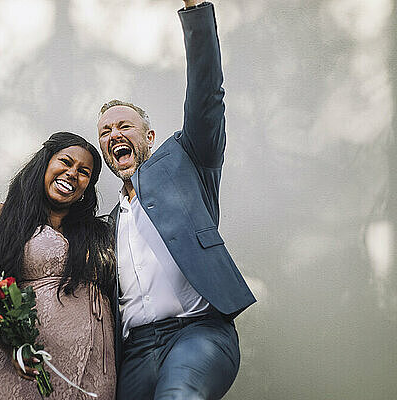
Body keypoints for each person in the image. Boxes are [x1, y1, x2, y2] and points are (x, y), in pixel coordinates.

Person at [96, 1, 256, 399]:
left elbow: (206, 94)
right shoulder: (106, 225)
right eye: (105, 131)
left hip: (198, 332)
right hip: (133, 352)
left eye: (124, 126)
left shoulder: (186, 162)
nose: (114, 134)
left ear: (148, 137)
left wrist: (196, 10)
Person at [0, 132, 116, 399]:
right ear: (45, 163)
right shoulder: (3, 217)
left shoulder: (97, 232)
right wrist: (13, 346)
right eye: (66, 162)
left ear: (87, 187)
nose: (72, 173)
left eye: (84, 172)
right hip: (27, 365)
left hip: (95, 366)